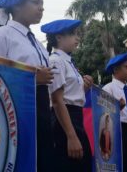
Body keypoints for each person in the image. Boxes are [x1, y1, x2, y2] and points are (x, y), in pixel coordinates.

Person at [0, 0, 54, 171]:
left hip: (42, 109)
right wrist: (32, 79)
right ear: (16, 6)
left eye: (42, 3)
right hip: (16, 109)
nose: (41, 7)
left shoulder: (38, 43)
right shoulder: (1, 35)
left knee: (42, 160)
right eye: (35, 2)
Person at [42, 19, 93, 172]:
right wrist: (71, 136)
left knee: (81, 164)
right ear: (58, 37)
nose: (77, 38)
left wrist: (84, 87)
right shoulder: (55, 61)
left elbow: (71, 96)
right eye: (72, 34)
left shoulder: (69, 62)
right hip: (64, 121)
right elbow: (57, 101)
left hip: (74, 118)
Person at [102, 52, 127, 172]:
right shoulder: (108, 89)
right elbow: (104, 116)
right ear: (115, 70)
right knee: (120, 165)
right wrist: (116, 108)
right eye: (126, 67)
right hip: (118, 131)